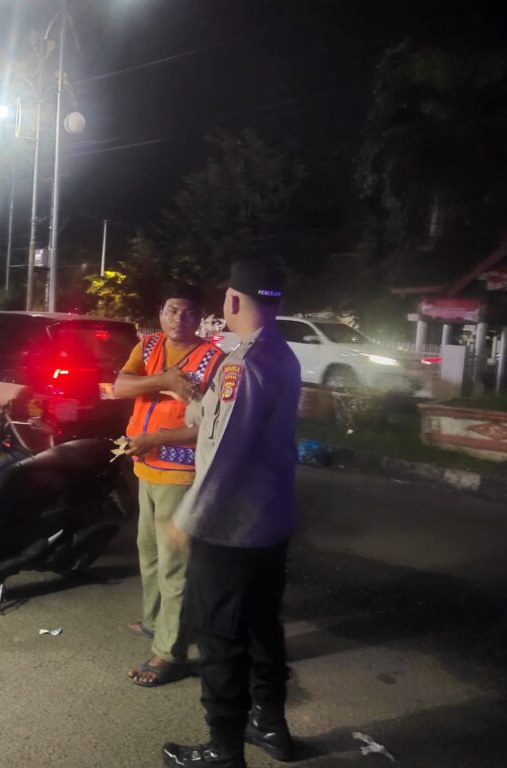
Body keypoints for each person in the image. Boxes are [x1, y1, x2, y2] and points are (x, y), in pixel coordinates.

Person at [162, 260, 300, 768]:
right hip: (270, 524)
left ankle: (224, 748)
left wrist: (188, 519)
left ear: (234, 301)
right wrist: (201, 401)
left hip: (230, 531)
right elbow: (235, 421)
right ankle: (271, 724)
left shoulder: (244, 363)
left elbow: (225, 451)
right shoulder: (280, 353)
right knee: (263, 628)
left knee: (220, 636)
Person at [114, 285, 225, 687]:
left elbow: (212, 425)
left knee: (175, 564)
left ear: (200, 319)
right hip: (145, 467)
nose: (180, 318)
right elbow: (120, 386)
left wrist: (157, 438)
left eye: (189, 312)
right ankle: (154, 621)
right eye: (173, 310)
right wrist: (163, 380)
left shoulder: (214, 359)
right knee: (148, 553)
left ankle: (169, 652)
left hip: (180, 473)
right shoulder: (148, 347)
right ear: (161, 312)